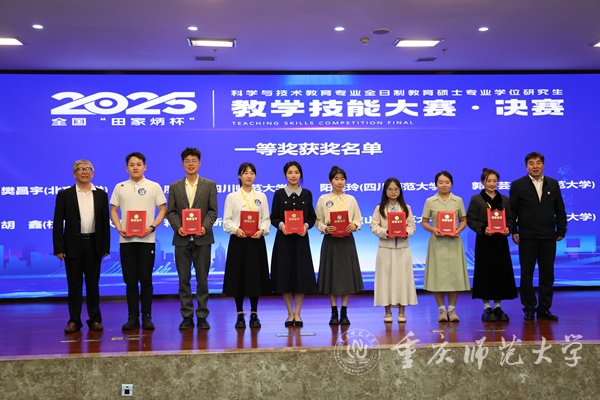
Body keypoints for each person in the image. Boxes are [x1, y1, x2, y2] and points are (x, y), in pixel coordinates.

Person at [110, 152, 167, 331]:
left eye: (139, 164)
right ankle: (132, 317)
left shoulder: (154, 186)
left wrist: (152, 226)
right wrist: (119, 227)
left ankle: (147, 317)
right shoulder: (120, 187)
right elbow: (113, 210)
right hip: (126, 240)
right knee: (130, 281)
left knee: (146, 280)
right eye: (132, 164)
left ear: (145, 167)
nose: (135, 167)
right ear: (126, 168)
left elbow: (163, 209)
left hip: (147, 240)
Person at [53, 159, 110, 333]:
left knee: (93, 284)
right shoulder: (65, 195)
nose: (84, 172)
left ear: (93, 173)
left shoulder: (101, 195)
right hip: (72, 246)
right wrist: (59, 247)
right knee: (74, 285)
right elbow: (57, 223)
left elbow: (104, 223)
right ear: (74, 174)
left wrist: (105, 246)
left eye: (87, 169)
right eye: (80, 169)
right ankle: (74, 320)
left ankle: (95, 319)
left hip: (94, 244)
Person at [510, 152, 567, 321]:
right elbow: (512, 211)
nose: (535, 166)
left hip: (548, 236)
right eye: (531, 163)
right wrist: (514, 230)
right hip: (527, 236)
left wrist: (561, 230)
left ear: (543, 164)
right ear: (526, 166)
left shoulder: (553, 184)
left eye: (538, 162)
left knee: (547, 274)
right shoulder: (518, 185)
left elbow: (560, 209)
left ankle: (544, 308)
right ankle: (529, 308)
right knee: (526, 274)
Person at [166, 148, 218, 330]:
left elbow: (213, 211)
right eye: (187, 161)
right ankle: (187, 316)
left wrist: (205, 226)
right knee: (183, 280)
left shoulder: (209, 184)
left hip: (203, 239)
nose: (191, 164)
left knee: (203, 280)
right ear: (182, 164)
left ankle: (202, 315)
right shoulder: (174, 186)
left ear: (199, 163)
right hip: (181, 239)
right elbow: (170, 211)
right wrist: (178, 227)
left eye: (194, 160)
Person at [222, 162, 271, 329]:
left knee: (254, 278)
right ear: (239, 176)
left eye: (252, 173)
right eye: (245, 173)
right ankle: (239, 314)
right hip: (238, 241)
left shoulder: (261, 196)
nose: (249, 176)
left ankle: (254, 314)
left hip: (256, 241)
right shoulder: (232, 197)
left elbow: (266, 218)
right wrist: (236, 230)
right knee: (238, 278)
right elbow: (227, 220)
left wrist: (262, 230)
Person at [270, 161, 318, 328]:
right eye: (290, 172)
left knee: (300, 277)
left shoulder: (307, 194)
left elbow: (312, 217)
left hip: (301, 241)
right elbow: (273, 217)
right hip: (283, 241)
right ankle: (289, 313)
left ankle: (298, 313)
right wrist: (281, 225)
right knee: (285, 277)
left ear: (300, 174)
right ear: (285, 175)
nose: (293, 175)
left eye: (296, 172)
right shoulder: (279, 194)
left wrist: (306, 226)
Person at [466, 168, 517, 322]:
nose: (492, 184)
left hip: (500, 241)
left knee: (500, 272)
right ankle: (487, 307)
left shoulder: (504, 199)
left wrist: (508, 228)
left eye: (495, 181)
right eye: (489, 181)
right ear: (483, 182)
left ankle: (498, 306)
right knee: (485, 273)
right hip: (485, 240)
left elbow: (510, 218)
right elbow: (471, 219)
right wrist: (483, 229)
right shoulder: (476, 199)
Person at [315, 166, 363, 325]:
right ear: (330, 181)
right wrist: (325, 228)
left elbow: (358, 219)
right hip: (331, 241)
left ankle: (344, 311)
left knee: (346, 277)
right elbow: (318, 221)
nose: (339, 182)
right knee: (332, 277)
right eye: (336, 179)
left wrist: (354, 225)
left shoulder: (351, 199)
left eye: (342, 179)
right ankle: (333, 312)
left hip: (347, 241)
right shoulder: (323, 199)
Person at [421, 171, 470, 322]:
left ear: (451, 184)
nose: (444, 185)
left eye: (447, 182)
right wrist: (433, 229)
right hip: (437, 243)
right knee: (438, 276)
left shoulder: (458, 200)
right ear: (436, 184)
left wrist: (459, 229)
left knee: (454, 276)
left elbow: (463, 220)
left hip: (454, 242)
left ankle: (452, 310)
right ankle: (442, 310)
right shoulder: (430, 201)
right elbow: (424, 222)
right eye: (441, 182)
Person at [370, 177, 417, 323]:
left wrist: (406, 233)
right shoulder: (379, 208)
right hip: (385, 248)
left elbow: (412, 226)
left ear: (400, 191)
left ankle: (402, 312)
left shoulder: (406, 208)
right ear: (385, 191)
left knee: (403, 279)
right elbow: (374, 226)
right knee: (385, 280)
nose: (393, 192)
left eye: (396, 189)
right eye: (390, 189)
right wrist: (386, 232)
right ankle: (388, 312)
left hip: (402, 248)